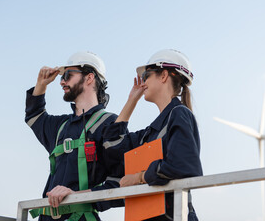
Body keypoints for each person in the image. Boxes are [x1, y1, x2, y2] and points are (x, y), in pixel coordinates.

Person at [102, 49, 203, 220]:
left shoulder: (179, 114)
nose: (142, 82)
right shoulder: (151, 132)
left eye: (146, 76)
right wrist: (132, 100)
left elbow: (184, 166)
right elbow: (112, 144)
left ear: (163, 75)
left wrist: (139, 177)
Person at [25, 51, 123, 221]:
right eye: (62, 76)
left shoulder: (110, 124)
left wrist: (77, 196)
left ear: (89, 77)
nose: (62, 81)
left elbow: (120, 183)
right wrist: (41, 84)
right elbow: (34, 116)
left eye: (68, 75)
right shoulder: (61, 126)